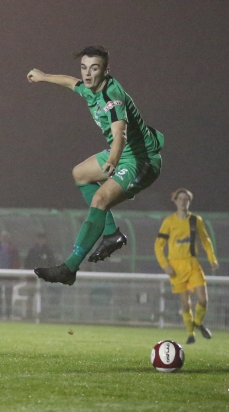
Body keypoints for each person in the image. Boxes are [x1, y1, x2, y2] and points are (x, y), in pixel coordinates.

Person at [28, 45, 164, 285]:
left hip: (141, 160)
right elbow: (72, 83)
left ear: (106, 71)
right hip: (123, 154)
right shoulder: (91, 88)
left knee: (100, 199)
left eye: (94, 68)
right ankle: (111, 233)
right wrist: (43, 77)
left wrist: (112, 160)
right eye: (84, 68)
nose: (87, 74)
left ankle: (69, 268)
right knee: (80, 173)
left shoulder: (112, 97)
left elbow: (119, 133)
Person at [155, 188, 218, 344]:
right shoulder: (169, 222)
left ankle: (197, 322)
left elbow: (205, 240)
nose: (183, 201)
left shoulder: (196, 220)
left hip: (192, 263)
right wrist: (165, 265)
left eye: (186, 199)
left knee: (203, 300)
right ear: (175, 201)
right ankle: (191, 334)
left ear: (189, 201)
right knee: (185, 303)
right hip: (176, 267)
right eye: (180, 198)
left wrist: (212, 258)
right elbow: (158, 246)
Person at [0, 231, 20, 319]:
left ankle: (8, 314)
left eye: (6, 236)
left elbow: (16, 262)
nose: (4, 238)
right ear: (0, 238)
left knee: (8, 295)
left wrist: (14, 273)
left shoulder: (13, 249)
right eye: (3, 237)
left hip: (8, 276)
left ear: (9, 238)